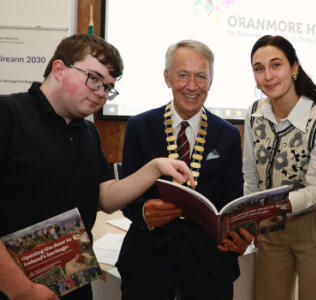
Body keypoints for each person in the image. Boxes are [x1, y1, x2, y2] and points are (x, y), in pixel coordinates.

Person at [0, 34, 194, 300]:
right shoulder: (8, 115)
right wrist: (24, 291)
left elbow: (105, 198)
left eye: (108, 87)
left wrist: (154, 168)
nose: (102, 93)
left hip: (74, 282)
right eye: (94, 78)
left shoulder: (88, 131)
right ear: (59, 69)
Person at [116, 39, 251, 300]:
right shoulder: (139, 127)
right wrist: (144, 211)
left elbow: (231, 200)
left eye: (201, 76)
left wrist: (239, 232)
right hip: (151, 250)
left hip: (208, 254)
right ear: (167, 78)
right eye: (183, 75)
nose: (192, 86)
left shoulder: (228, 134)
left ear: (211, 81)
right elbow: (126, 197)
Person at [243, 35, 316, 300]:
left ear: (294, 67)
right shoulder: (254, 112)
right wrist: (250, 217)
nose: (267, 76)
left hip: (314, 227)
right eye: (258, 68)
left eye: (275, 65)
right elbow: (250, 174)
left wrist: (271, 205)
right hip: (270, 225)